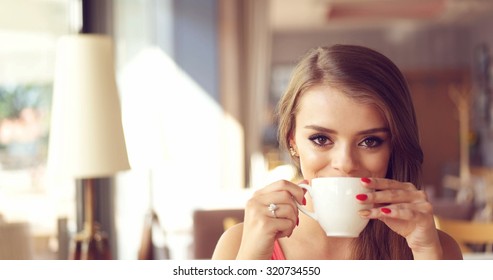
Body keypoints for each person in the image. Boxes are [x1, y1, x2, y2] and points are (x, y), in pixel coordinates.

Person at [212, 44, 463, 260]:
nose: (345, 164)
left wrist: (426, 254)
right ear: (292, 141)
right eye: (321, 139)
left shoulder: (437, 250)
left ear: (394, 146)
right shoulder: (237, 247)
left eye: (370, 141)